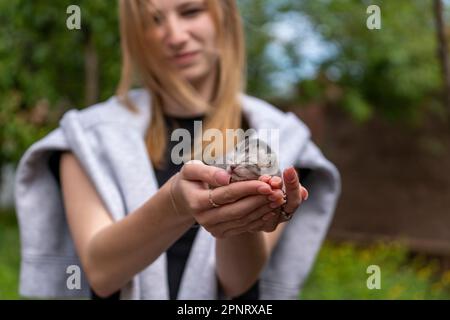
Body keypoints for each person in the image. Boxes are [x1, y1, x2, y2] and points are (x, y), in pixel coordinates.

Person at [14, 0, 341, 300]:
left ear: (224, 16)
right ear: (136, 35)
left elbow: (236, 284)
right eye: (153, 20)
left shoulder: (281, 137)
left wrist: (243, 216)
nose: (175, 35)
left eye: (190, 12)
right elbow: (101, 272)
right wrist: (174, 204)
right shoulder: (86, 137)